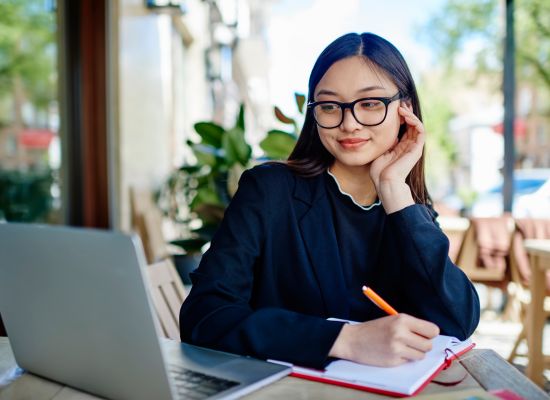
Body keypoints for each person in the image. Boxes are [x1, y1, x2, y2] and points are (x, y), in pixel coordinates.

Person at [179, 32, 480, 369]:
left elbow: (457, 322)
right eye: (329, 105)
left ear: (405, 111)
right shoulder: (269, 191)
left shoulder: (409, 207)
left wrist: (394, 190)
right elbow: (204, 316)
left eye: (370, 104)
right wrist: (343, 340)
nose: (349, 123)